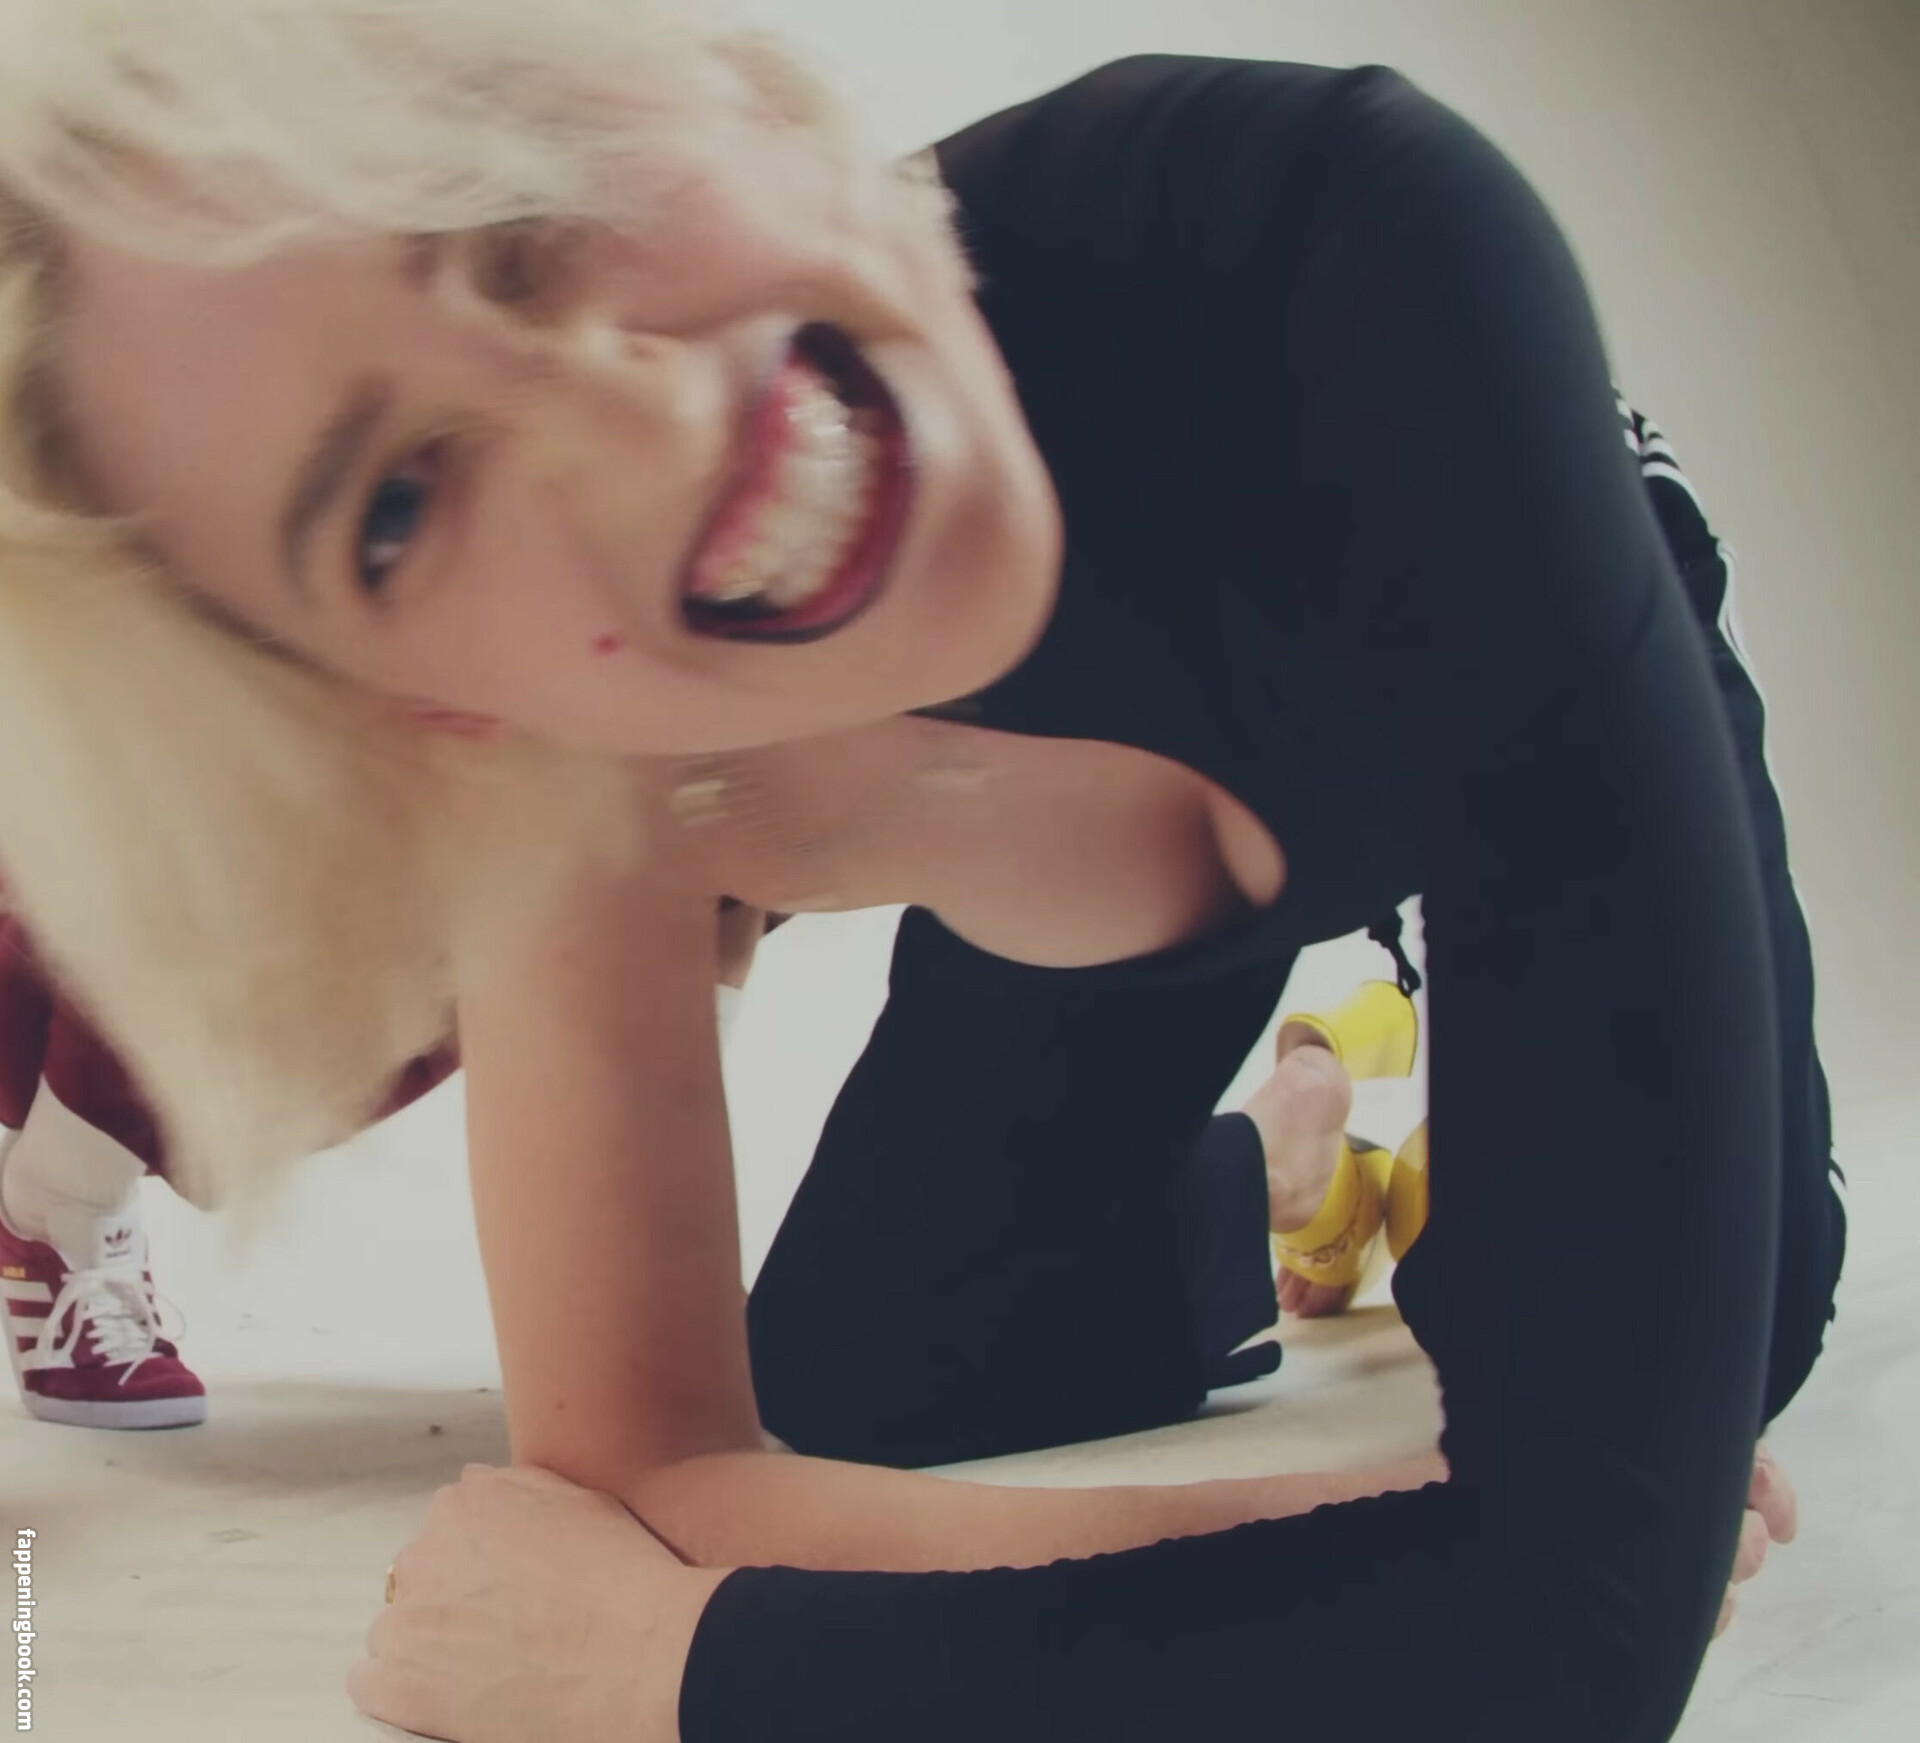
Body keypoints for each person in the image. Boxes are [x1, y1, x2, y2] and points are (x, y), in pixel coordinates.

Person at [0, 6, 1842, 1739]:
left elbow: (1567, 1648)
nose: (640, 431)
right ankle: (1299, 1161)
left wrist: (679, 1667)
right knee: (879, 1377)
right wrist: (1378, 1537)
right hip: (1128, 876)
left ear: (725, 78)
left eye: (522, 206)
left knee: (1750, 1327)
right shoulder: (560, 748)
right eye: (400, 507)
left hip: (1519, 654)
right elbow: (651, 1478)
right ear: (425, 707)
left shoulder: (1339, 240)